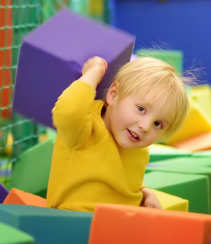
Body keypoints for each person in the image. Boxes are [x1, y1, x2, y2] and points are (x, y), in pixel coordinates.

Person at [46, 56, 193, 212]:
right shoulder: (84, 129)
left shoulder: (139, 152)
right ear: (114, 95)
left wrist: (143, 193)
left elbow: (121, 184)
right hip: (73, 223)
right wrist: (93, 73)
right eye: (141, 109)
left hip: (116, 226)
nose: (145, 126)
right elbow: (68, 112)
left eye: (158, 124)